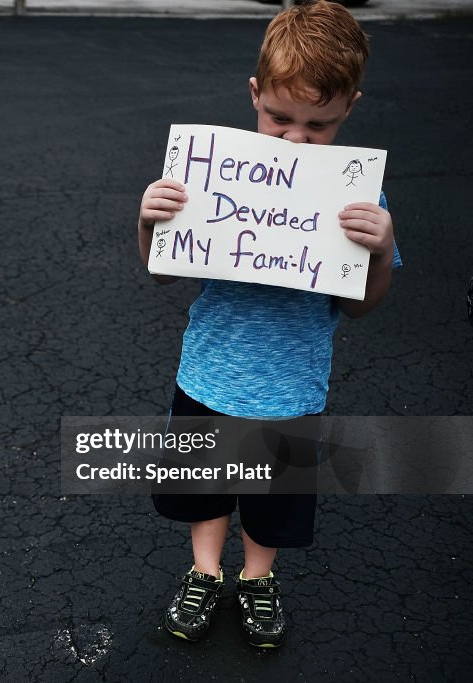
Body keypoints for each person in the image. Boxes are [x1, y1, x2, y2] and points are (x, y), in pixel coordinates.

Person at [136, 0, 402, 648]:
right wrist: (148, 222)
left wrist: (380, 246)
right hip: (208, 372)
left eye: (319, 125)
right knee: (204, 489)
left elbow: (365, 304)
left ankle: (257, 578)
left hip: (290, 386)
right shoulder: (211, 174)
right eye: (279, 117)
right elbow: (163, 271)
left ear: (350, 109)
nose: (294, 138)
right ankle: (204, 571)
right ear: (254, 94)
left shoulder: (357, 199)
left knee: (270, 499)